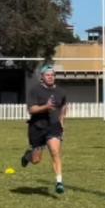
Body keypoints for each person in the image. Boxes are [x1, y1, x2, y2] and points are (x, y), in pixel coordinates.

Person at [20, 64, 68, 194]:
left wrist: (62, 122)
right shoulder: (35, 90)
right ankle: (27, 156)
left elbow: (63, 107)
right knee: (36, 160)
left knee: (55, 152)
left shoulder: (61, 92)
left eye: (52, 75)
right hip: (37, 127)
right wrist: (45, 107)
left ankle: (59, 182)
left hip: (53, 127)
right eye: (47, 75)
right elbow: (31, 109)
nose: (50, 77)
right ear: (42, 77)